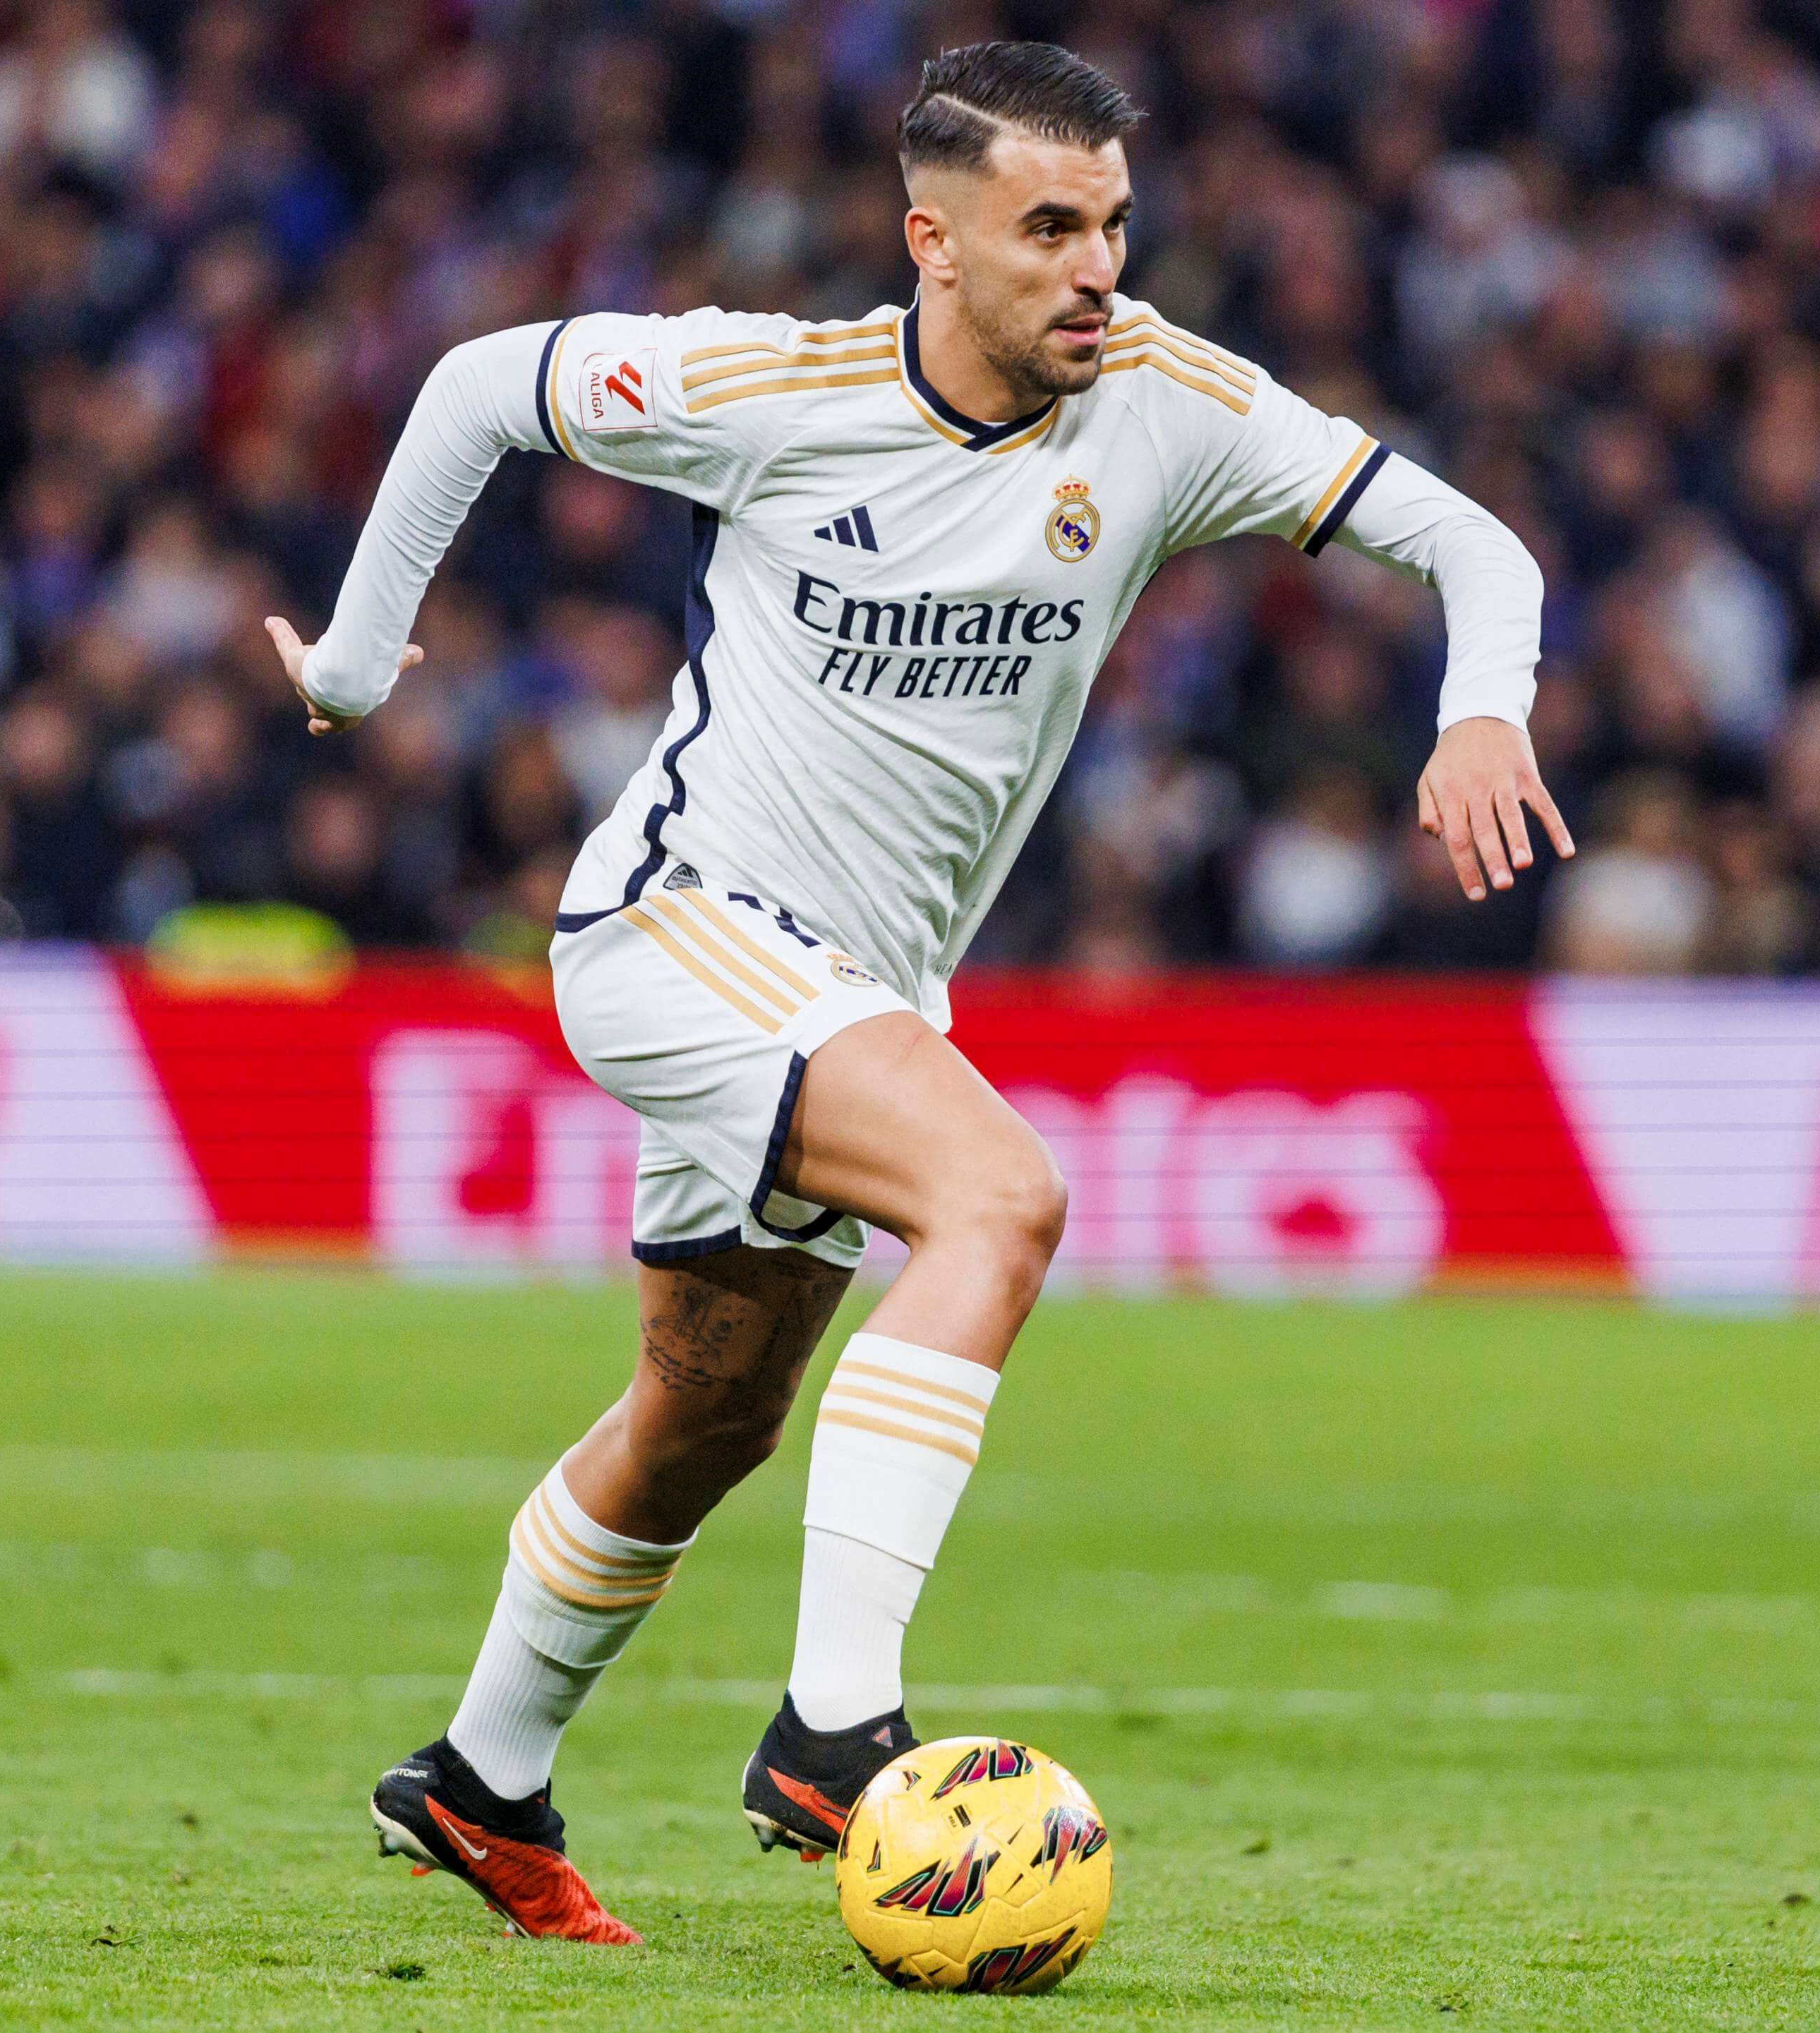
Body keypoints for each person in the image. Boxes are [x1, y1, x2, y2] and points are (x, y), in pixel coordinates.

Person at [265, 40, 1567, 1945]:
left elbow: (1471, 539)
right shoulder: (770, 386)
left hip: (862, 988)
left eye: (1114, 224)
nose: (1096, 270)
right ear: (931, 244)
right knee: (1002, 1195)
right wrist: (369, 664)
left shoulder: (1166, 406)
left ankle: (478, 1780)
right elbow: (479, 386)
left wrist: (1479, 710)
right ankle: (831, 1726)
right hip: (670, 925)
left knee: (701, 1414)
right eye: (1048, 228)